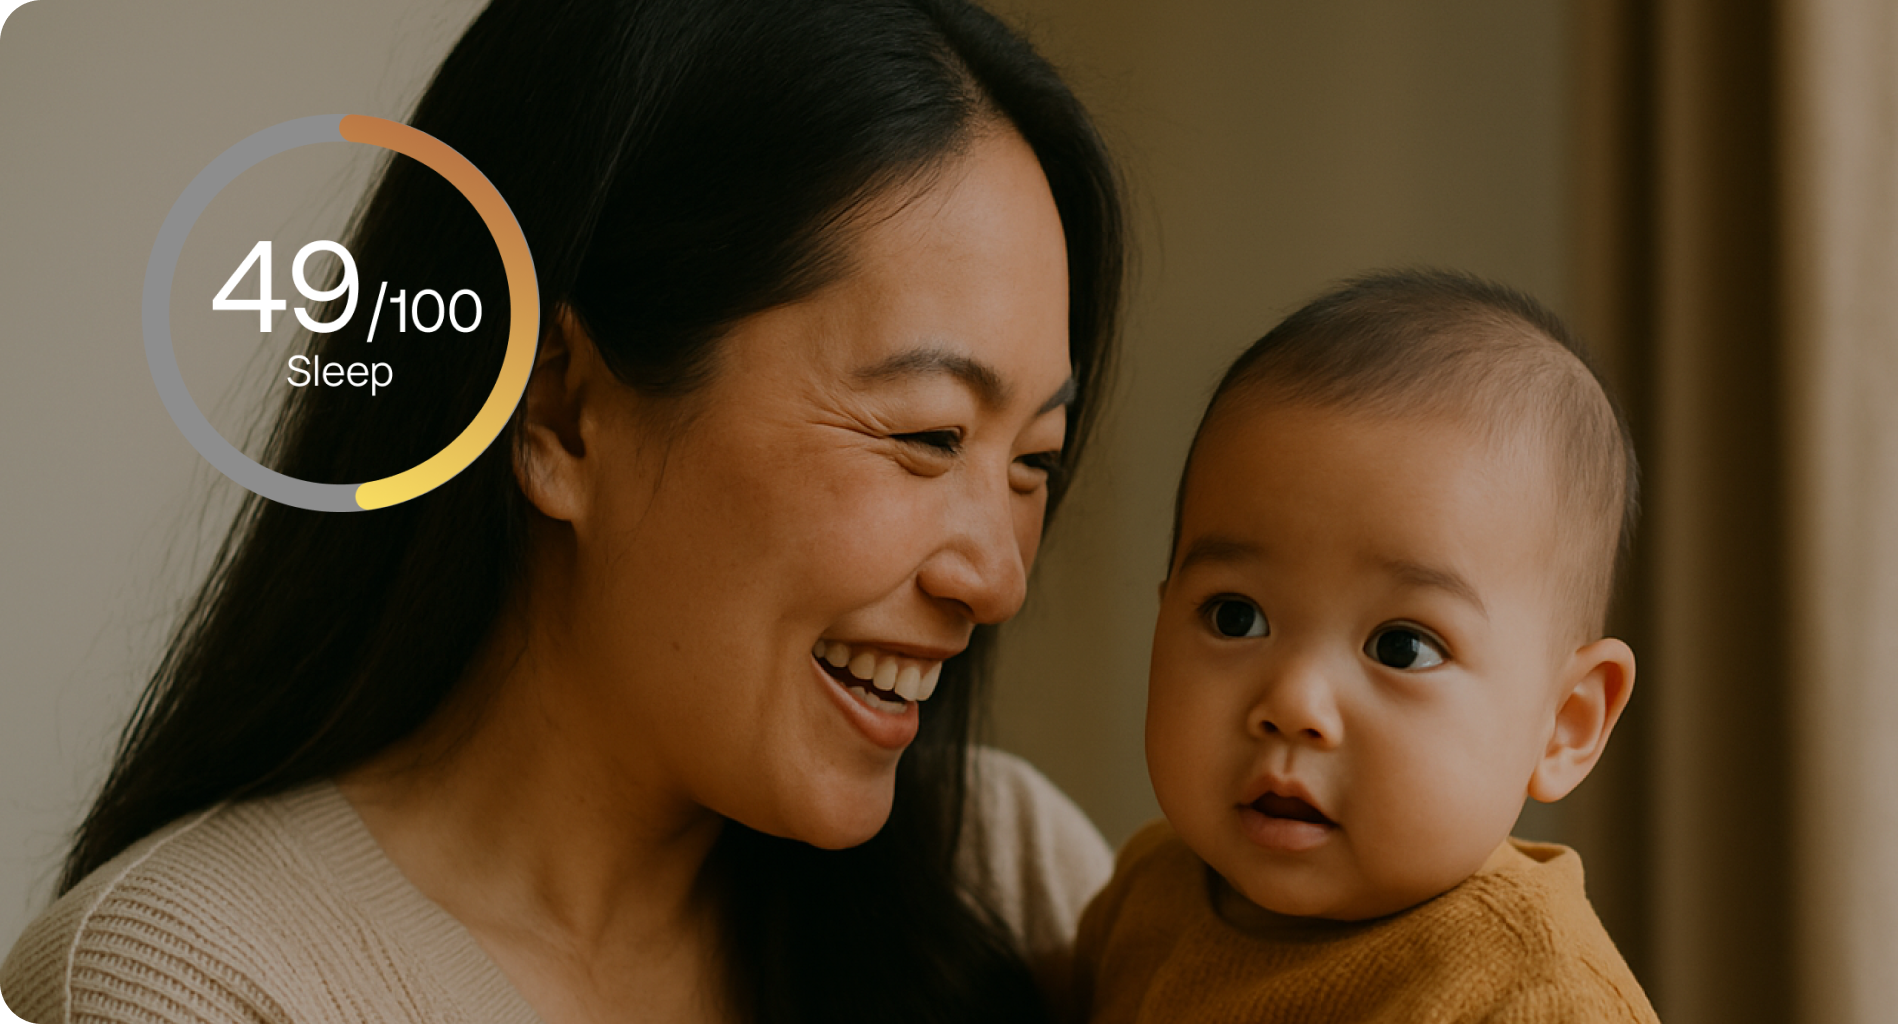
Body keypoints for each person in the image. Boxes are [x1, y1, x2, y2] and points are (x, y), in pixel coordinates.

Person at [0, 2, 1125, 1022]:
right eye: (926, 435)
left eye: (1033, 460)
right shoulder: (193, 984)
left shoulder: (1004, 875)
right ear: (557, 412)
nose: (996, 579)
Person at [1070, 270, 1658, 1023]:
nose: (1292, 703)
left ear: (1567, 720)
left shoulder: (1538, 998)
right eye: (1235, 617)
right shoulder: (1147, 895)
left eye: (1403, 647)